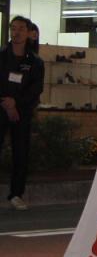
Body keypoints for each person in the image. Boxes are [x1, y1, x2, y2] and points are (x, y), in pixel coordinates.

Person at [0, 15, 45, 210]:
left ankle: (16, 194)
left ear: (28, 32)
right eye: (13, 28)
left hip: (22, 113)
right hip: (0, 109)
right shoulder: (1, 55)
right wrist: (6, 103)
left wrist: (16, 103)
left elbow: (36, 89)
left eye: (20, 28)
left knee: (21, 153)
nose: (16, 32)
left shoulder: (35, 62)